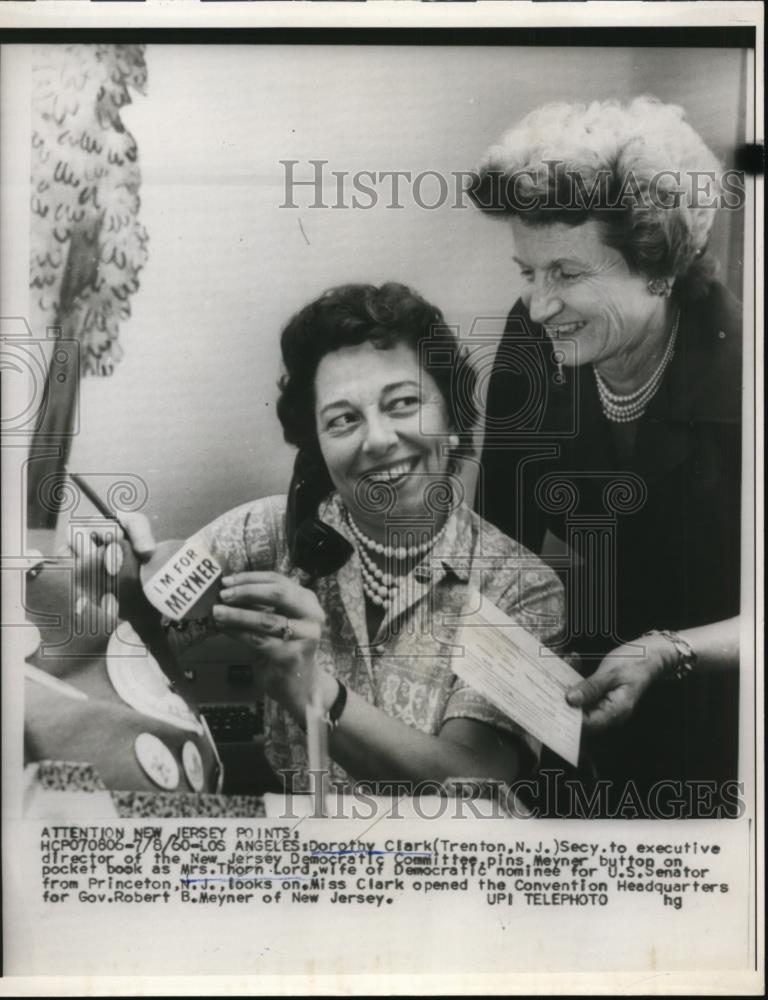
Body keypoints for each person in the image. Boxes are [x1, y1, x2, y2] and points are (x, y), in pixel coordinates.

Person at [125, 283, 565, 793]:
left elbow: (473, 781)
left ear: (451, 417)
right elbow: (131, 618)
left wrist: (312, 689)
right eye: (344, 420)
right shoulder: (265, 535)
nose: (377, 440)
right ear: (317, 445)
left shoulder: (524, 586)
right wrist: (119, 569)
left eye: (402, 403)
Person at [469, 97, 742, 814]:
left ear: (658, 267)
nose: (538, 306)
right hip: (583, 706)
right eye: (528, 273)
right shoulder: (533, 347)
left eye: (567, 273)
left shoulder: (748, 373)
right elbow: (497, 553)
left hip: (731, 721)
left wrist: (667, 653)